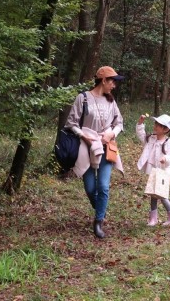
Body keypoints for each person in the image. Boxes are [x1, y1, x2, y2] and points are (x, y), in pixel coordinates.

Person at [65, 66, 125, 239]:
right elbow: (71, 123)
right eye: (112, 81)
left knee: (103, 186)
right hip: (87, 147)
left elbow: (119, 122)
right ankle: (100, 207)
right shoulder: (83, 98)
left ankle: (98, 221)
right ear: (104, 80)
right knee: (90, 188)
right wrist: (83, 136)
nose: (114, 85)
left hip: (106, 147)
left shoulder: (111, 101)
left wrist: (111, 133)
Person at [136, 114, 170, 226]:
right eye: (155, 123)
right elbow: (141, 135)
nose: (155, 126)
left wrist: (165, 158)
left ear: (165, 129)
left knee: (161, 195)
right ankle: (153, 219)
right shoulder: (151, 138)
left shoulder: (167, 143)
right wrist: (140, 124)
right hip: (154, 171)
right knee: (153, 193)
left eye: (159, 125)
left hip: (163, 172)